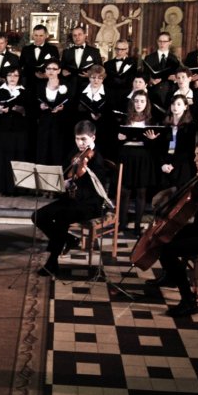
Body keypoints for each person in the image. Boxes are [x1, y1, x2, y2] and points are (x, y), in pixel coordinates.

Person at [148, 139, 198, 316]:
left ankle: (189, 301)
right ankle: (171, 276)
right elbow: (188, 192)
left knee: (169, 249)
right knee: (163, 239)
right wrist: (168, 194)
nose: (195, 159)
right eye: (195, 155)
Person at [32, 120, 107, 276]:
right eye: (77, 139)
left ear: (93, 137)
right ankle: (69, 239)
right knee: (37, 216)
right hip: (71, 200)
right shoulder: (75, 152)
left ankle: (52, 263)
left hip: (90, 204)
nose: (80, 143)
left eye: (83, 139)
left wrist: (75, 187)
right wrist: (62, 183)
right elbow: (65, 172)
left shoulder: (97, 159)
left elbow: (95, 191)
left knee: (62, 218)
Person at [117, 90, 163, 236]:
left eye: (142, 101)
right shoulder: (125, 118)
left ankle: (137, 225)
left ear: (146, 103)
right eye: (136, 101)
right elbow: (115, 140)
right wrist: (119, 138)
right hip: (127, 156)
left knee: (141, 192)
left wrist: (152, 140)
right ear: (132, 102)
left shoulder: (151, 121)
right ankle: (122, 223)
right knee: (125, 192)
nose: (139, 104)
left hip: (143, 157)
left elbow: (155, 146)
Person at [0, 66, 29, 196]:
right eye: (9, 75)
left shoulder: (25, 91)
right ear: (5, 77)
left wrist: (21, 110)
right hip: (4, 129)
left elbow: (31, 111)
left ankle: (19, 188)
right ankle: (5, 188)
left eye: (15, 75)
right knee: (5, 158)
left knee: (19, 158)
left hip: (20, 130)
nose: (12, 78)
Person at [35, 59, 69, 166]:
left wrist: (63, 108)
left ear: (59, 70)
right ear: (45, 70)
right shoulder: (40, 86)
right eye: (48, 68)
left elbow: (72, 103)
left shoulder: (66, 85)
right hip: (44, 122)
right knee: (43, 151)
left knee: (57, 151)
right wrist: (40, 106)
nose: (51, 71)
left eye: (54, 69)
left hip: (60, 123)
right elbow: (33, 103)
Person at [159, 94, 197, 189]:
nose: (175, 107)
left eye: (179, 104)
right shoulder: (165, 125)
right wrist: (163, 164)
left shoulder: (191, 126)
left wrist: (173, 165)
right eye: (173, 104)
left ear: (185, 107)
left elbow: (189, 150)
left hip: (181, 165)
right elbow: (160, 148)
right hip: (166, 164)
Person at [143, 31, 181, 111]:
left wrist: (175, 78)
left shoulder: (174, 59)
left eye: (165, 41)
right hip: (153, 93)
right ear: (157, 42)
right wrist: (150, 80)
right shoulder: (149, 58)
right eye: (160, 41)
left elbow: (179, 76)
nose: (162, 44)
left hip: (169, 94)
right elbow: (144, 75)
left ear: (170, 42)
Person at [60, 26, 102, 98]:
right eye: (74, 35)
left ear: (85, 35)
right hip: (70, 87)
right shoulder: (66, 52)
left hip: (88, 86)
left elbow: (100, 69)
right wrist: (62, 71)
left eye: (79, 34)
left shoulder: (94, 51)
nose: (77, 37)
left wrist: (91, 75)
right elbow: (61, 68)